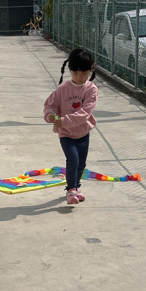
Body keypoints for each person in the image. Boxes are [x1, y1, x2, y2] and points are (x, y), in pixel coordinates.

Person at [43, 48, 98, 205]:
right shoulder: (62, 89)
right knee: (73, 159)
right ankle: (71, 190)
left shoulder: (91, 90)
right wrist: (50, 115)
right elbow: (50, 105)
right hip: (65, 133)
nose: (79, 78)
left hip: (83, 132)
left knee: (81, 164)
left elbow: (85, 113)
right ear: (69, 70)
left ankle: (76, 187)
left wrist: (64, 120)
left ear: (91, 69)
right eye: (75, 74)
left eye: (84, 74)